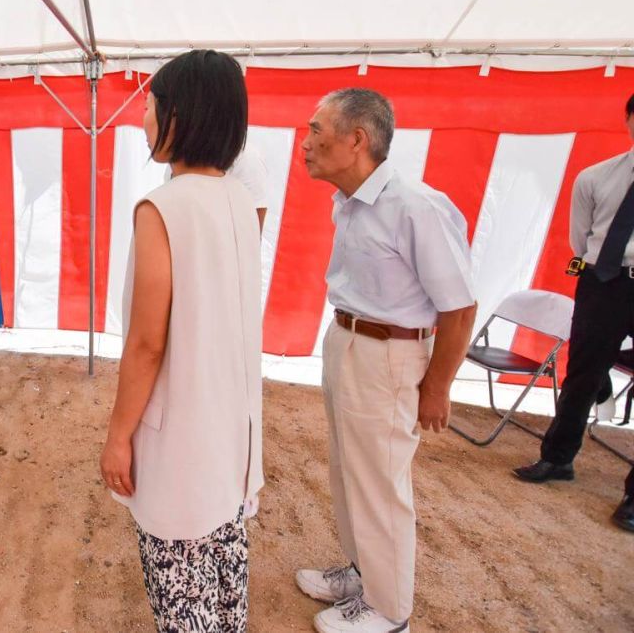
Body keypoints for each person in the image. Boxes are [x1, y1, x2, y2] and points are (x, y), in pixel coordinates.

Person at [295, 88, 476, 633]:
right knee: (349, 470)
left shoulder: (415, 205)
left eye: (315, 131)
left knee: (381, 480)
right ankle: (361, 573)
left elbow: (460, 307)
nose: (305, 144)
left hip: (391, 354)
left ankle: (390, 608)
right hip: (348, 340)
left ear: (357, 139)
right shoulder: (349, 200)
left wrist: (438, 386)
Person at [101, 50, 263, 632]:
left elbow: (147, 343)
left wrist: (118, 436)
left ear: (182, 115)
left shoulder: (162, 207)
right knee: (223, 571)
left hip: (182, 433)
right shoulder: (241, 201)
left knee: (180, 586)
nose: (144, 119)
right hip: (230, 425)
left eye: (151, 105)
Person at [514, 94, 634, 533]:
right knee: (583, 373)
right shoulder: (597, 177)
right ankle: (557, 458)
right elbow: (580, 239)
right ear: (627, 120)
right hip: (606, 281)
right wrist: (605, 271)